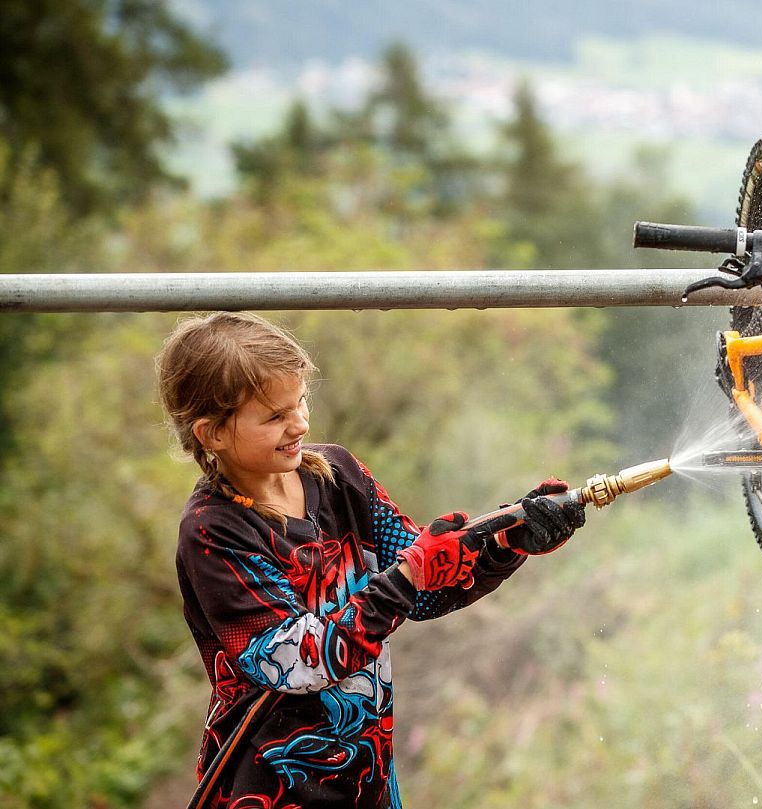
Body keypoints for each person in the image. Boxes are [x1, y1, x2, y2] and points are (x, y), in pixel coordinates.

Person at [156, 311, 585, 808]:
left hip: (367, 779)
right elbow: (298, 662)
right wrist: (410, 573)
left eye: (300, 403)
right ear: (211, 434)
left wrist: (505, 542)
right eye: (274, 417)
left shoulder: (336, 474)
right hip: (271, 787)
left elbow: (420, 588)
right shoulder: (213, 531)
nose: (299, 424)